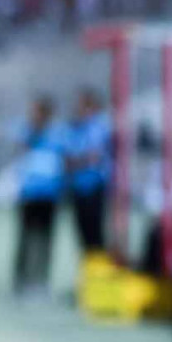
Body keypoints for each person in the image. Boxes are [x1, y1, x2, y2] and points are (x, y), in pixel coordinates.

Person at [13, 96, 66, 299]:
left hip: (49, 193)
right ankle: (21, 279)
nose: (32, 114)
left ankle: (41, 280)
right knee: (26, 238)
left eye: (36, 111)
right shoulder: (27, 131)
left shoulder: (58, 133)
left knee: (45, 239)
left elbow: (64, 157)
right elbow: (20, 150)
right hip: (29, 192)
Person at [65, 89, 110, 253]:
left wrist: (78, 160)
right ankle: (88, 263)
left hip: (94, 185)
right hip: (78, 186)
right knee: (82, 230)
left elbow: (94, 155)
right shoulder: (75, 128)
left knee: (95, 229)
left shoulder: (99, 127)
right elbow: (68, 157)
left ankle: (98, 263)